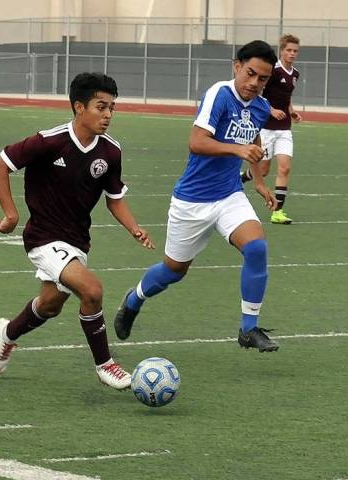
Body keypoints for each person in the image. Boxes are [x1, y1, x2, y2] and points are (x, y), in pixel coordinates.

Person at [0, 72, 155, 390]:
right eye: (100, 106)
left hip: (77, 240)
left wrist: (135, 229)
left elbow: (115, 200)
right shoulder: (49, 141)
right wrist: (11, 215)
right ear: (79, 107)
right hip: (42, 237)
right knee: (91, 291)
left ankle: (8, 333)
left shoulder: (110, 152)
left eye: (112, 108)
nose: (107, 115)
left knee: (50, 305)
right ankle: (106, 365)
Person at [114, 40, 280, 352]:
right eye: (250, 73)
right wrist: (237, 149)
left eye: (263, 79)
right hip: (192, 201)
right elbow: (196, 142)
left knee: (256, 248)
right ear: (236, 66)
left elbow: (253, 140)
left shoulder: (259, 106)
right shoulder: (219, 94)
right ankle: (134, 299)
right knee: (173, 271)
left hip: (230, 194)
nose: (255, 83)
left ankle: (249, 328)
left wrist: (258, 181)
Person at [240, 34, 301, 225]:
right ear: (281, 51)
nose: (292, 54)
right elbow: (259, 94)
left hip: (284, 129)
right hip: (266, 128)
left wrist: (291, 112)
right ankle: (240, 178)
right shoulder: (272, 71)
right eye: (289, 50)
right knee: (263, 170)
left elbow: (286, 97)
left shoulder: (295, 74)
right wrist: (271, 110)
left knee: (285, 167)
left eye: (295, 51)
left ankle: (278, 212)